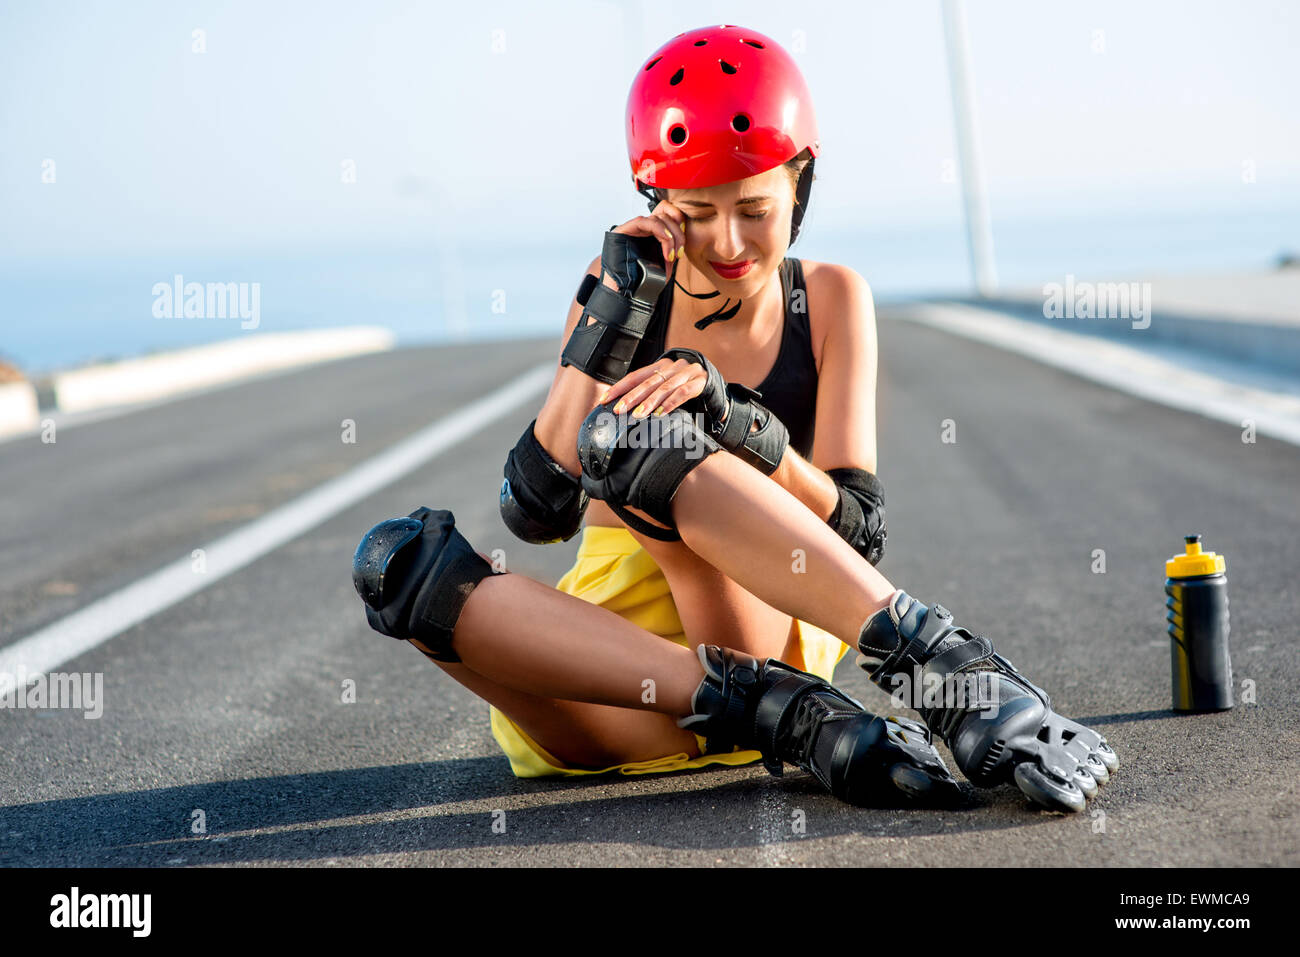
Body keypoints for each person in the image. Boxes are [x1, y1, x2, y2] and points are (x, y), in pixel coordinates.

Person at [352, 25, 1117, 812]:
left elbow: (857, 527)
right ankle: (789, 717)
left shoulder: (828, 298)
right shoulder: (622, 282)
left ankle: (947, 674)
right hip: (622, 677)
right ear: (656, 203)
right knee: (397, 567)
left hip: (758, 614)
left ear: (801, 184)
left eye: (755, 208)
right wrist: (611, 316)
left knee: (645, 440)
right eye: (696, 213)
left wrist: (737, 423)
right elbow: (538, 511)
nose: (728, 241)